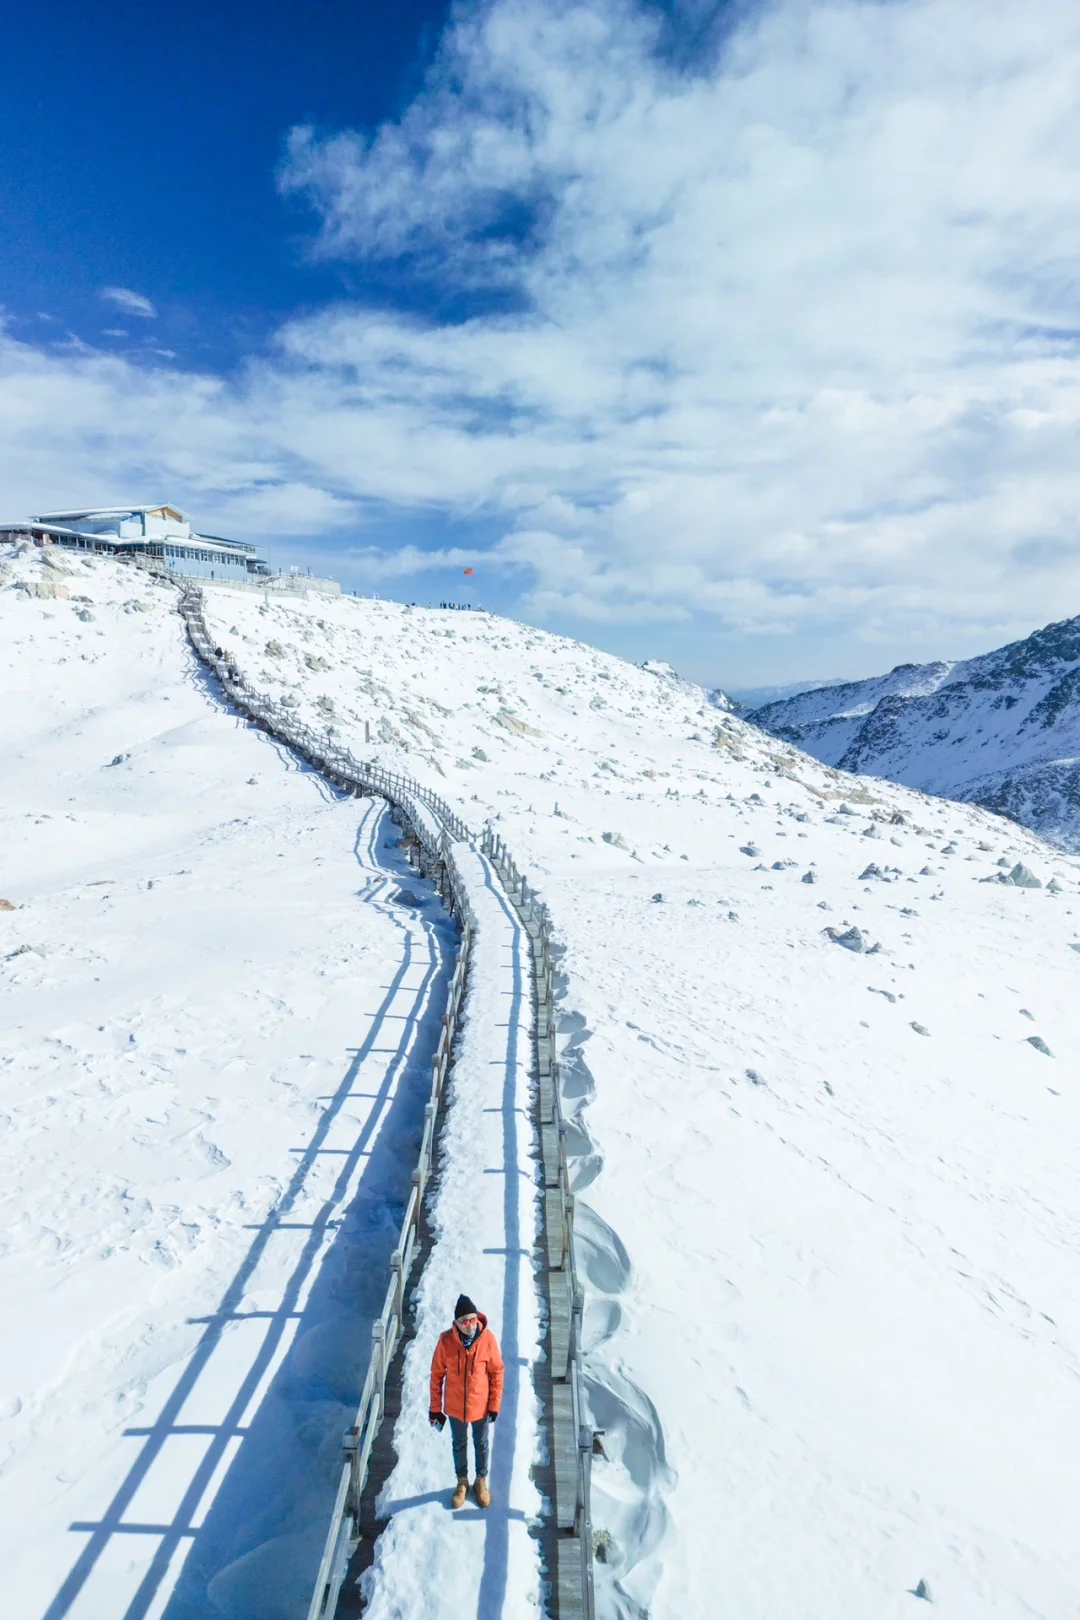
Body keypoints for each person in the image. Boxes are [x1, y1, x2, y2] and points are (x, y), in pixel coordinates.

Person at [429, 1294, 503, 1509]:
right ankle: (462, 1482)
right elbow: (436, 1375)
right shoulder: (445, 1342)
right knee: (459, 1444)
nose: (470, 1325)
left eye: (473, 1320)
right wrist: (435, 1409)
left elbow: (497, 1372)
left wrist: (494, 1405)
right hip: (454, 1406)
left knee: (481, 1444)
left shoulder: (487, 1340)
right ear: (457, 1323)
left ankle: (481, 1481)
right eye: (465, 1321)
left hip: (480, 1405)